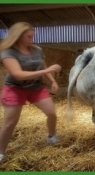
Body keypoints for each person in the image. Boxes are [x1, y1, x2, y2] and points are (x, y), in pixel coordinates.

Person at [0, 22, 61, 162]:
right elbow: (18, 74)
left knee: (51, 113)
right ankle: (1, 152)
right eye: (29, 36)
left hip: (36, 87)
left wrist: (52, 81)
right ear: (19, 36)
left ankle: (52, 136)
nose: (32, 39)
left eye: (32, 36)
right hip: (15, 89)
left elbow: (43, 66)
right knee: (10, 123)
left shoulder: (37, 50)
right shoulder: (8, 52)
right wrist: (48, 70)